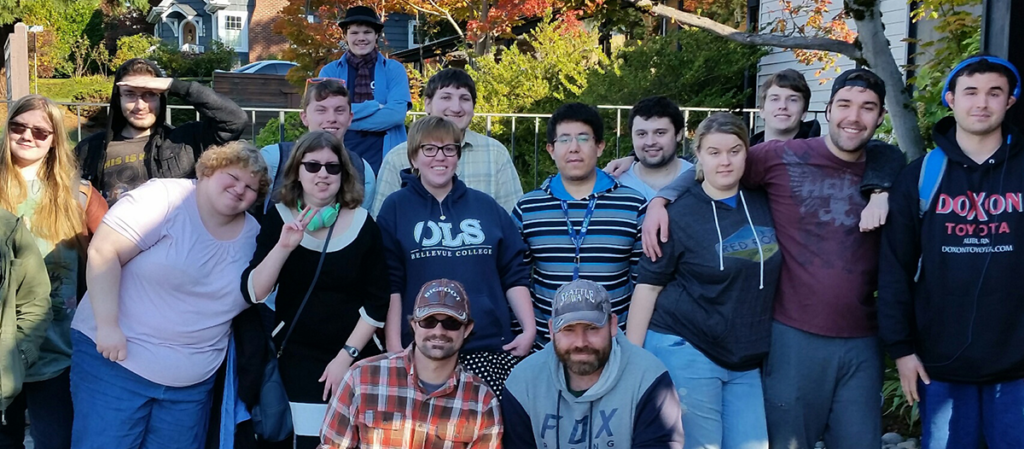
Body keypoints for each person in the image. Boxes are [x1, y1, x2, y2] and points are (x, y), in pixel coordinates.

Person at [642, 68, 905, 449]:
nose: (854, 117)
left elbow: (890, 154)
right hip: (793, 332)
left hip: (861, 337)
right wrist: (661, 198)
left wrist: (881, 191)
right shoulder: (780, 158)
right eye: (845, 105)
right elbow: (719, 162)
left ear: (881, 117)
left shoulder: (889, 169)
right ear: (828, 110)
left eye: (868, 108)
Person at [69, 141, 268, 449]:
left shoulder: (255, 236)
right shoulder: (163, 197)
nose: (240, 189)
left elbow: (257, 292)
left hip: (190, 386)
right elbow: (104, 252)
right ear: (209, 170)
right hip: (117, 364)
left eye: (251, 187)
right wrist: (108, 326)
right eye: (233, 176)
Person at [878, 55, 1024, 449]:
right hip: (938, 366)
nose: (982, 103)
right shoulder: (922, 175)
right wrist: (902, 350)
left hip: (1017, 367)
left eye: (994, 93)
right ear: (950, 99)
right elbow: (894, 267)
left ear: (1009, 101)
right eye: (971, 92)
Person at [626, 113, 780, 449]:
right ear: (699, 155)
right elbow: (648, 287)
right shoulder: (676, 214)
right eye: (714, 152)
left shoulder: (766, 202)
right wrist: (631, 362)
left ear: (746, 152)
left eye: (734, 151)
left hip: (744, 355)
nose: (725, 161)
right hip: (686, 345)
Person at [242, 131, 389, 448]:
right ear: (297, 171)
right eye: (313, 166)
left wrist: (345, 358)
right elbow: (255, 292)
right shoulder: (278, 219)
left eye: (332, 167)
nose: (323, 174)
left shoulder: (364, 224)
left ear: (344, 173)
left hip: (354, 358)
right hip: (298, 358)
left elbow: (377, 303)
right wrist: (283, 247)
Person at [376, 116, 534, 398]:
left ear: (458, 156)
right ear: (414, 155)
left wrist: (529, 328)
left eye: (449, 149)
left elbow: (513, 271)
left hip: (487, 350)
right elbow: (390, 281)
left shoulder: (485, 206)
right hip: (422, 349)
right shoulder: (395, 208)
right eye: (430, 149)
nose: (441, 157)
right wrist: (393, 344)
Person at [0, 95, 107, 449]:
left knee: (56, 442)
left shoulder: (79, 196)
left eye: (40, 131)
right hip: (0, 348)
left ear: (54, 140)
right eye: (19, 127)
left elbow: (110, 259)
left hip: (57, 352)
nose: (27, 136)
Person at [512, 103, 646, 350]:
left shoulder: (633, 205)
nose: (574, 148)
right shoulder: (528, 208)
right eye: (564, 140)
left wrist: (635, 347)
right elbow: (515, 278)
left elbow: (644, 282)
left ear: (600, 146)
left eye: (583, 138)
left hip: (614, 344)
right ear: (551, 150)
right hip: (545, 345)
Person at [501, 279, 684, 448]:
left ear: (613, 325)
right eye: (569, 330)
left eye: (592, 328)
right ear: (551, 330)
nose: (581, 342)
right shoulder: (524, 382)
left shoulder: (648, 377)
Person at [319, 279, 502, 448]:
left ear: (467, 329)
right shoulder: (360, 377)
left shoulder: (482, 401)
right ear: (414, 324)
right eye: (428, 321)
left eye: (451, 323)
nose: (439, 331)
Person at [74, 58, 249, 205]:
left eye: (150, 94)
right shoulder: (90, 149)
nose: (140, 105)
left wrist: (174, 85)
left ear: (162, 96)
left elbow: (234, 120)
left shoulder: (184, 143)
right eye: (130, 94)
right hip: (108, 244)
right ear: (118, 98)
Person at [370, 68, 523, 215]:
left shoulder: (495, 153)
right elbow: (382, 222)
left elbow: (513, 220)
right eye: (446, 97)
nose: (456, 108)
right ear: (427, 104)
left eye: (464, 99)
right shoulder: (398, 157)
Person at [318, 6, 412, 175]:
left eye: (367, 32)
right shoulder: (330, 72)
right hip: (339, 156)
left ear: (376, 35)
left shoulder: (394, 69)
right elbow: (325, 116)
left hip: (386, 156)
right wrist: (375, 107)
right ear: (345, 36)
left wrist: (343, 119)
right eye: (354, 33)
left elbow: (396, 115)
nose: (361, 38)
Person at [261, 79, 376, 212]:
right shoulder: (274, 158)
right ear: (304, 117)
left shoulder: (363, 170)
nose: (331, 118)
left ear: (350, 118)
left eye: (339, 111)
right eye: (321, 110)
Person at [608, 96, 694, 201]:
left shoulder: (700, 180)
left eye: (660, 133)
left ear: (679, 134)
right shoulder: (613, 184)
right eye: (641, 134)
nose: (650, 142)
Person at [752, 68, 821, 145]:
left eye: (793, 100)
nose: (783, 106)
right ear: (762, 110)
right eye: (775, 99)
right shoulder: (744, 155)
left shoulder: (822, 155)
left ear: (804, 112)